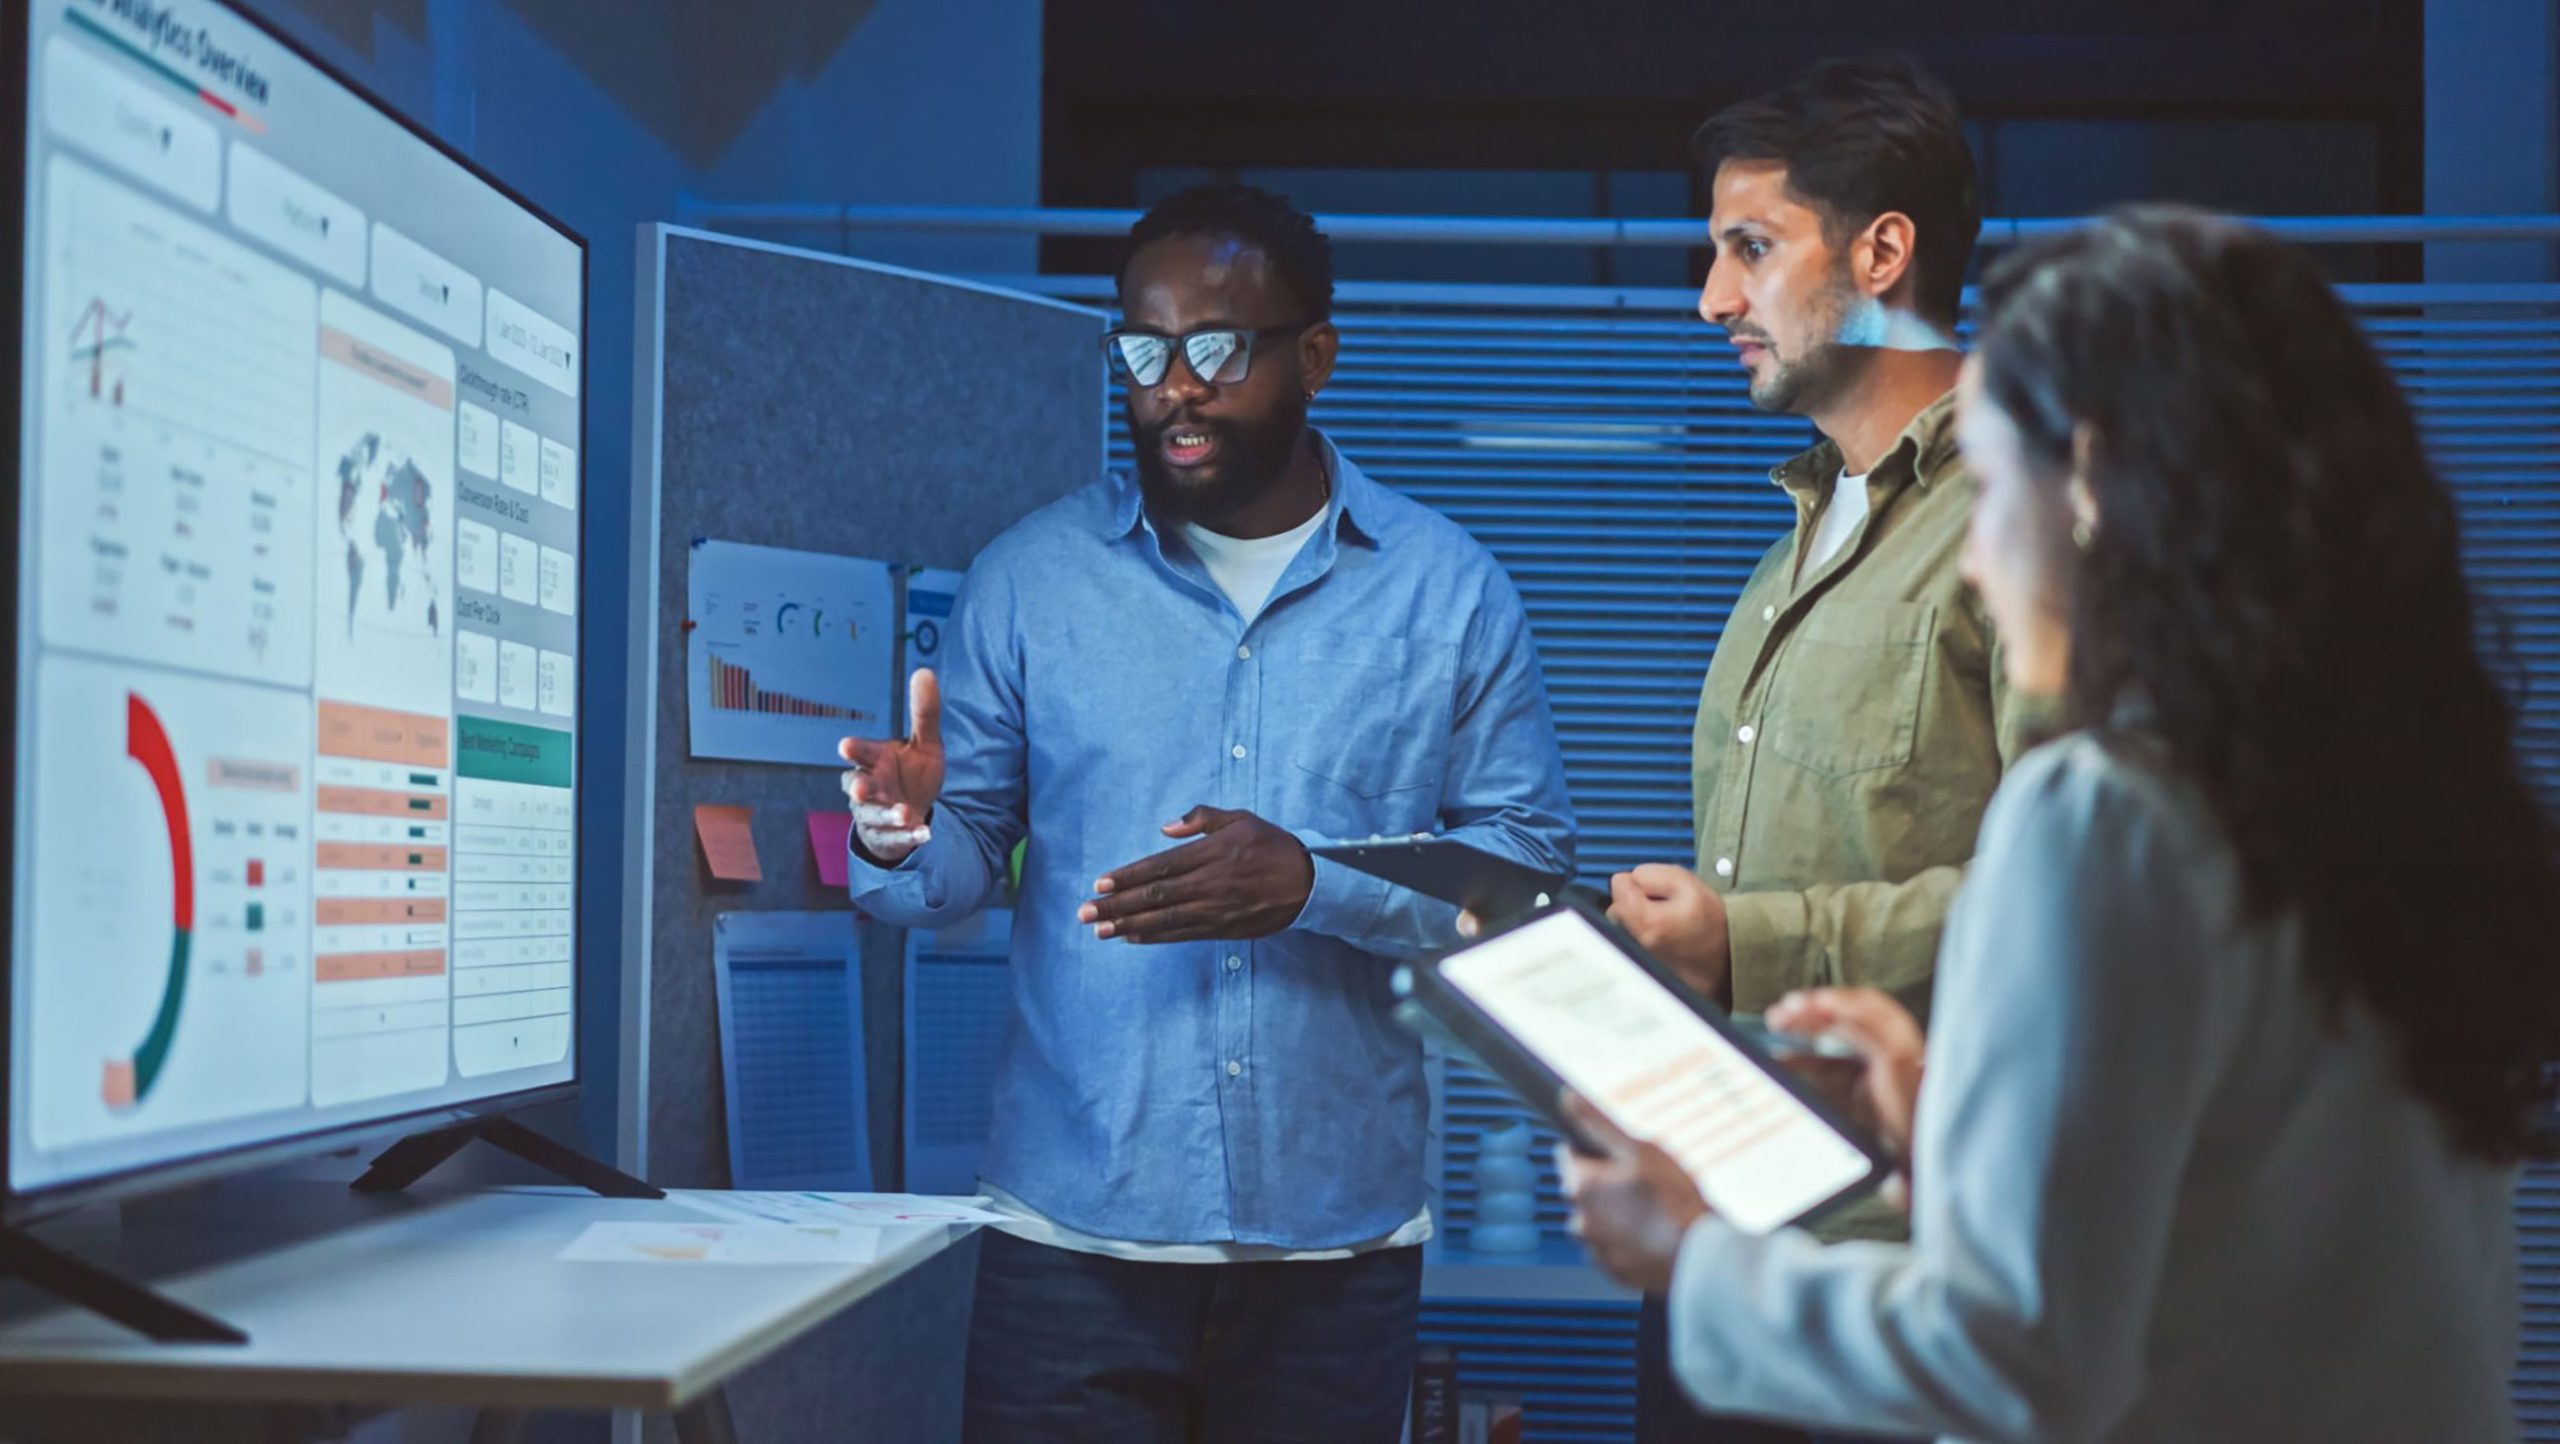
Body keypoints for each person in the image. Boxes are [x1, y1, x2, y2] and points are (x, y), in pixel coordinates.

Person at [1563, 206, 2558, 1443]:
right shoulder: (2397, 801)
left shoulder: (2105, 811)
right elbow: (2255, 1215)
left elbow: (2015, 1363)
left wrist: (1695, 1254)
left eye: (1988, 486)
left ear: (2087, 484)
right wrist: (1952, 1128)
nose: (1977, 561)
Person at [836, 184, 1574, 1443]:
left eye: (1216, 349)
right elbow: (953, 867)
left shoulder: (1448, 595)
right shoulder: (1031, 580)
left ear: (1315, 355)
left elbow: (1528, 881)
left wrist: (1314, 884)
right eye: (1143, 349)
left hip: (1333, 1250)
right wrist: (897, 830)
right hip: (1071, 1240)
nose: (1172, 387)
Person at [1605, 55, 2039, 1444]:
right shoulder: (1799, 535)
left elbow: (2071, 902)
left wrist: (1743, 943)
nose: (1710, 299)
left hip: (1901, 1270)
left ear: (1881, 255)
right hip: (1728, 1231)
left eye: (1750, 248)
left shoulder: (2026, 529)